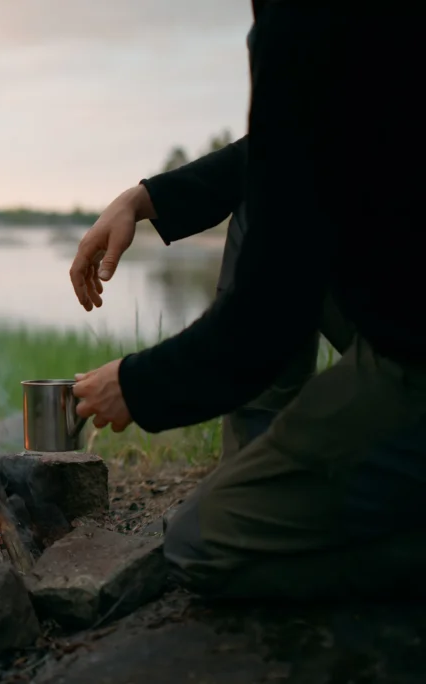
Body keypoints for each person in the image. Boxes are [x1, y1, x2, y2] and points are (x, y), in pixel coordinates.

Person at [67, 2, 426, 600]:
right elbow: (294, 147)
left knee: (200, 545)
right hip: (404, 305)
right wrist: (143, 199)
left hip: (412, 354)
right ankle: (261, 471)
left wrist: (135, 386)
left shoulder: (309, 17)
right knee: (260, 203)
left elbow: (268, 320)